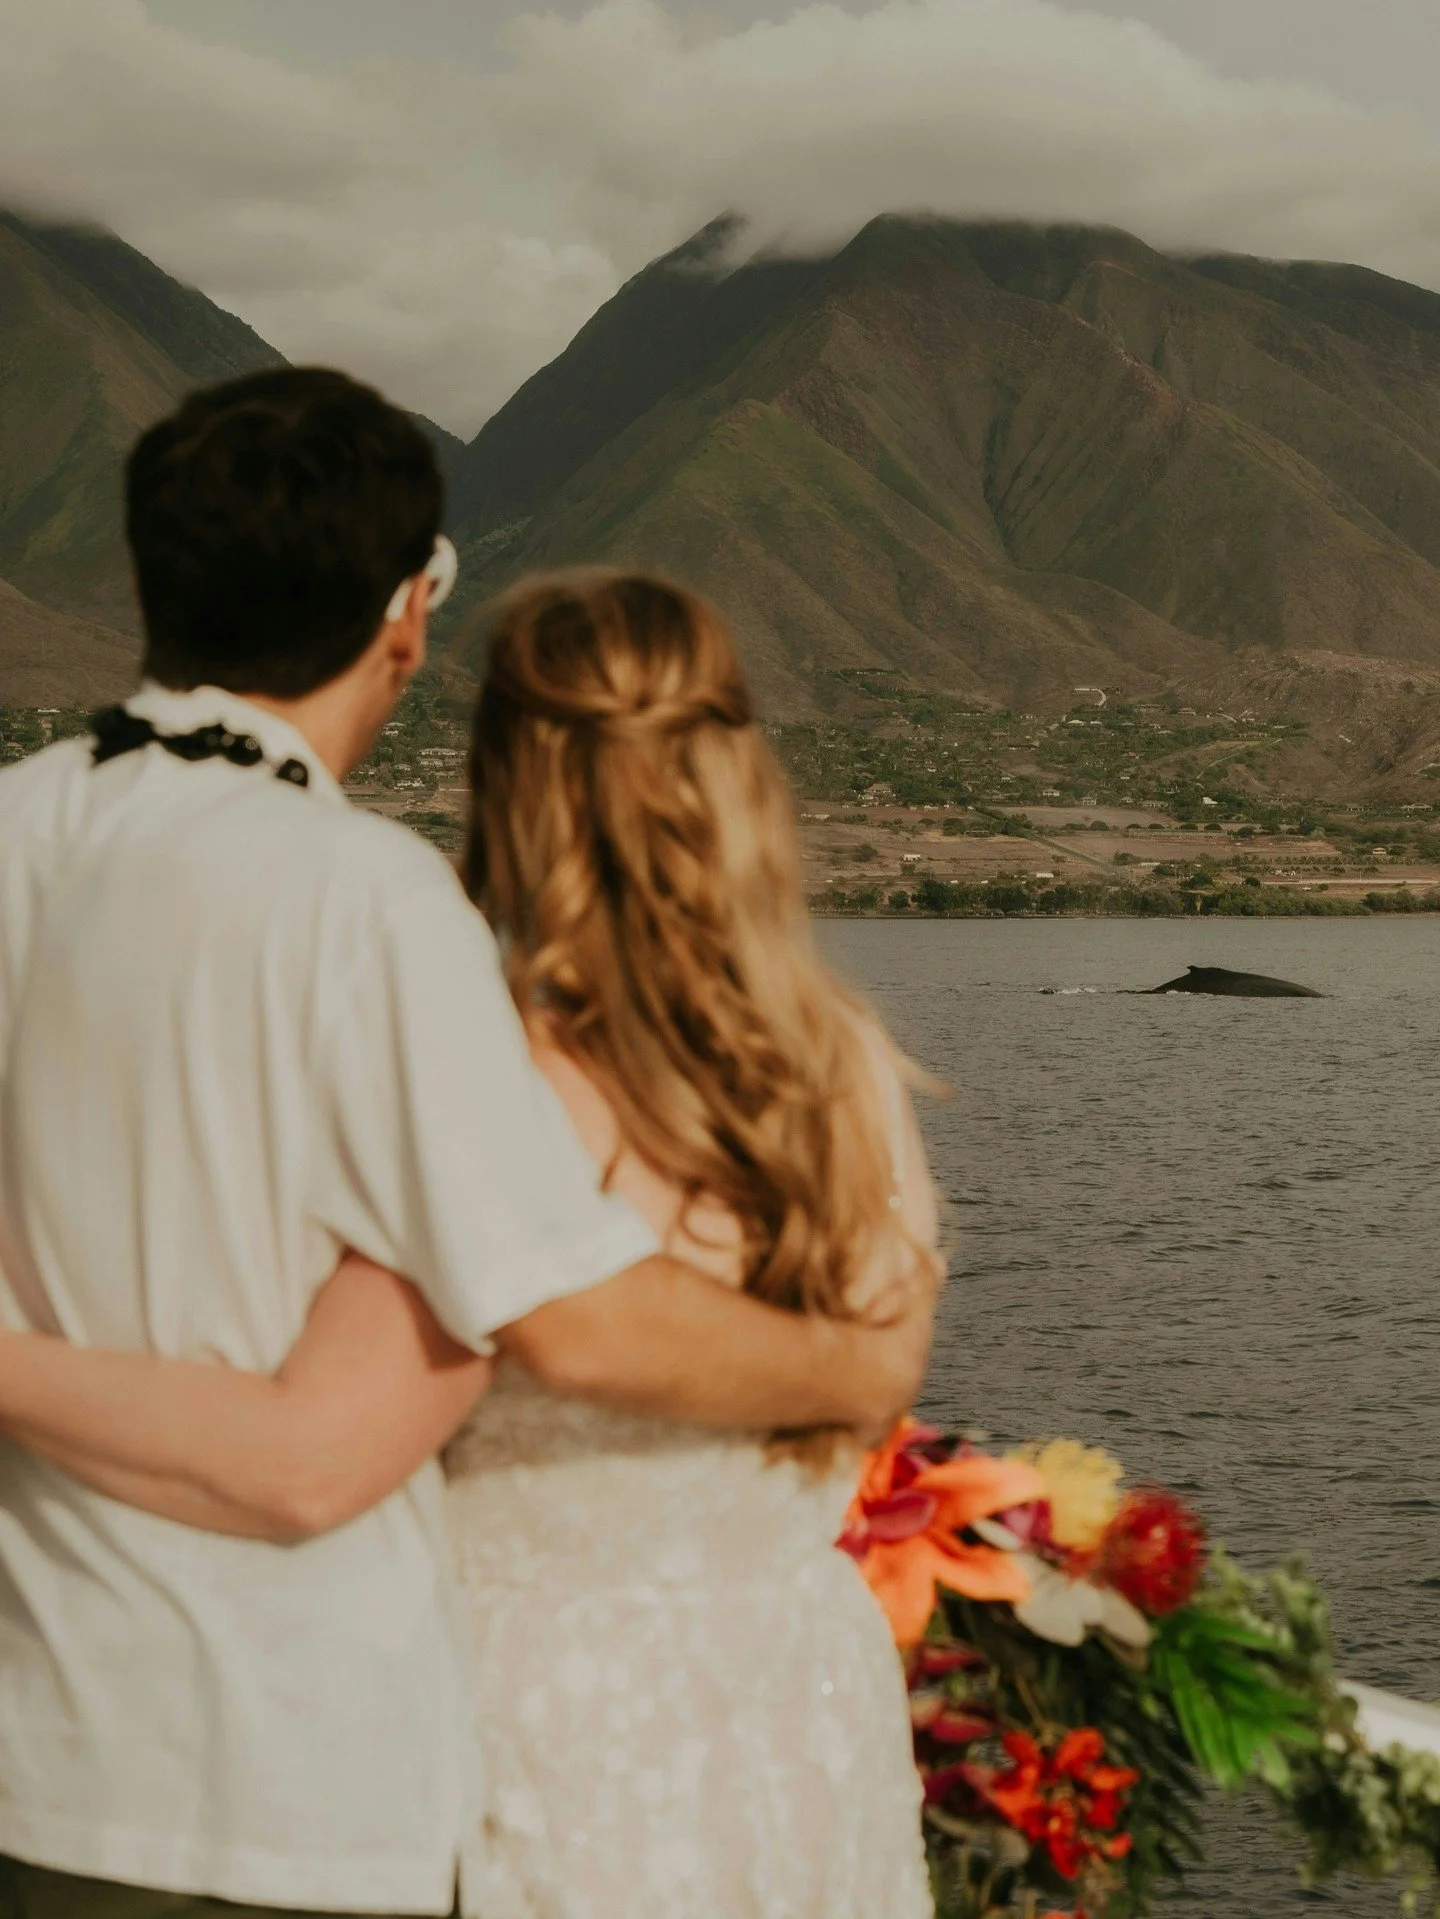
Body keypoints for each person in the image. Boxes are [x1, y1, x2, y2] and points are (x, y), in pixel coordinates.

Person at [0, 372, 934, 1919]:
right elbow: (507, 1343)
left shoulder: (21, 829)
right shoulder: (367, 904)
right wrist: (859, 1366)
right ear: (406, 618)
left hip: (35, 1743)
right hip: (284, 1776)